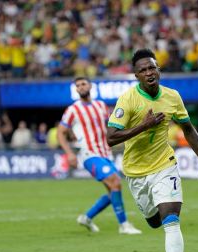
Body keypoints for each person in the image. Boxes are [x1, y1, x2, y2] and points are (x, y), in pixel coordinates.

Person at [107, 49, 198, 252]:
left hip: (165, 165)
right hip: (136, 172)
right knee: (154, 220)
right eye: (143, 70)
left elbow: (188, 129)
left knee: (171, 220)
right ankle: (153, 216)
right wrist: (144, 125)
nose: (149, 72)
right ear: (136, 75)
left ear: (159, 70)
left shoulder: (172, 97)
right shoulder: (128, 99)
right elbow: (111, 138)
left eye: (152, 68)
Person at [57, 77, 141, 235]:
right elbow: (61, 132)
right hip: (90, 155)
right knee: (116, 182)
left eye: (83, 84)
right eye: (78, 86)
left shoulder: (101, 106)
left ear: (90, 86)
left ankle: (87, 218)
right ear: (76, 90)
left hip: (106, 154)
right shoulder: (73, 110)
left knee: (112, 192)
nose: (81, 87)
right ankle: (124, 225)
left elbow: (110, 128)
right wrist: (69, 153)